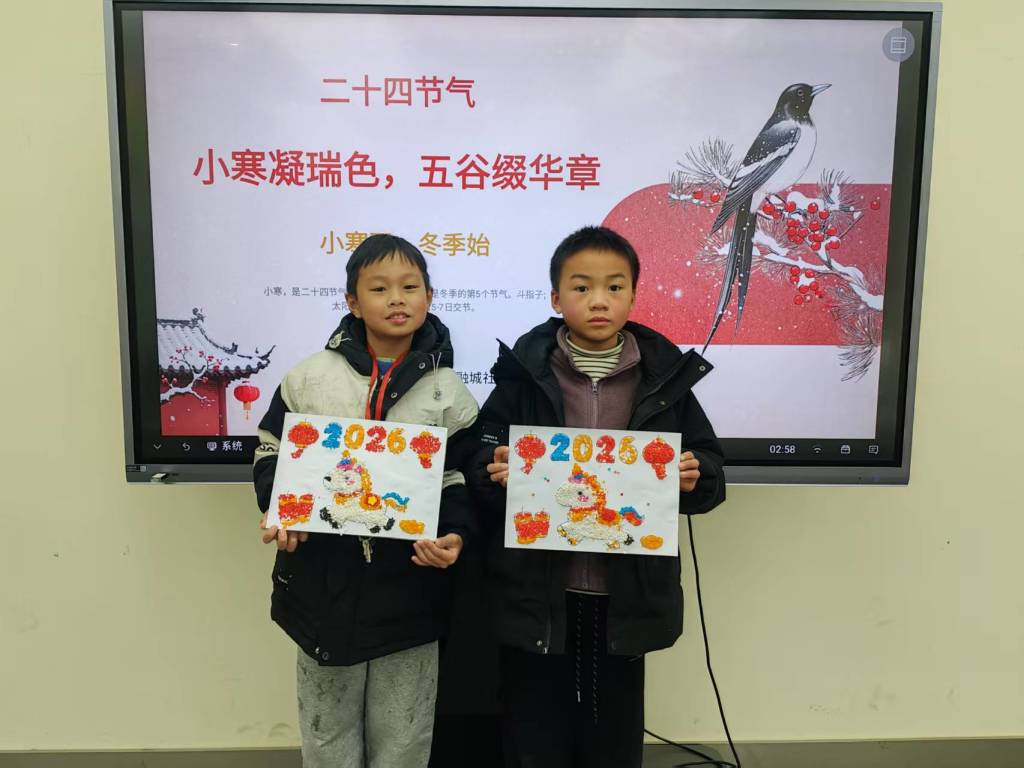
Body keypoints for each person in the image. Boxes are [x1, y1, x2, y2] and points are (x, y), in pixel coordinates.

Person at [473, 225, 726, 768]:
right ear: (555, 298)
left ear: (633, 296)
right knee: (533, 736)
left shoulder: (666, 380)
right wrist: (494, 469)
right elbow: (481, 459)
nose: (598, 300)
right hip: (539, 592)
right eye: (582, 287)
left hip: (625, 594)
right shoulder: (522, 377)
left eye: (614, 287)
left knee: (613, 740)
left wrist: (695, 473)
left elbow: (710, 468)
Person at [253, 234, 479, 768]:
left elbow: (459, 477)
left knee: (404, 737)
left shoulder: (449, 391)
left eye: (410, 287)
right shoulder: (309, 377)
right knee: (326, 733)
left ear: (429, 297)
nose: (396, 299)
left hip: (411, 592)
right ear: (353, 302)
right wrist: (283, 507)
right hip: (320, 588)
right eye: (379, 289)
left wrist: (456, 534)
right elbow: (270, 449)